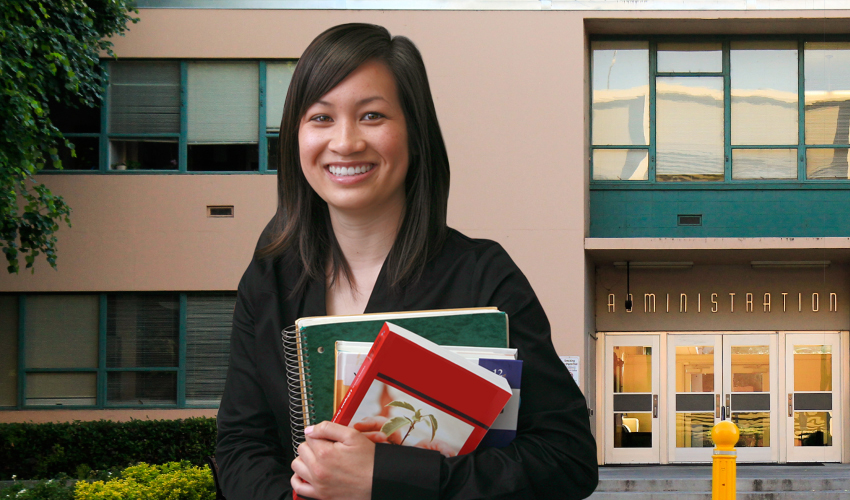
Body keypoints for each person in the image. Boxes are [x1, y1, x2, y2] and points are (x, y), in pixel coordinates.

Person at [215, 23, 598, 500]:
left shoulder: (483, 278)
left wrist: (387, 476)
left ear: (415, 135)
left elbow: (567, 459)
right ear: (295, 137)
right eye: (320, 118)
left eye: (372, 115)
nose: (346, 141)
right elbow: (239, 448)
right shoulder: (269, 280)